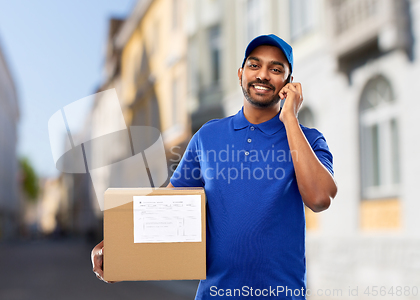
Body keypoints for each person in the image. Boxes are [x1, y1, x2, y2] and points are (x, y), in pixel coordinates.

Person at [91, 34, 338, 299]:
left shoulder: (308, 139)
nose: (263, 75)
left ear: (289, 84)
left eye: (276, 69)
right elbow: (168, 208)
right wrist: (118, 249)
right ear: (241, 73)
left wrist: (290, 118)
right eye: (254, 65)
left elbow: (320, 198)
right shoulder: (207, 136)